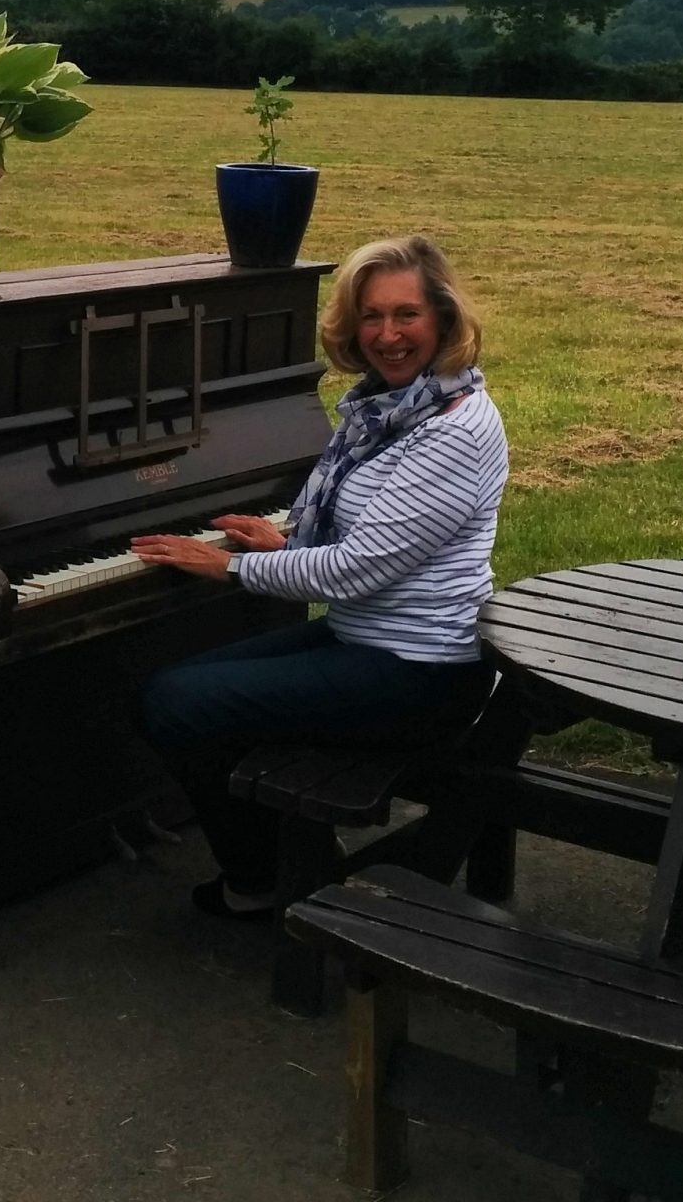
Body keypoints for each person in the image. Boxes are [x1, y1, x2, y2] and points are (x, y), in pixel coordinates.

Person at [132, 235, 507, 919]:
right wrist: (286, 540)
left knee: (177, 701)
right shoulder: (385, 409)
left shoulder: (454, 429)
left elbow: (359, 568)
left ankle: (263, 878)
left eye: (406, 315)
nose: (387, 335)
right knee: (185, 684)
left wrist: (235, 566)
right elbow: (368, 533)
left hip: (420, 673)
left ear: (445, 319)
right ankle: (279, 857)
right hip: (367, 643)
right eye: (371, 316)